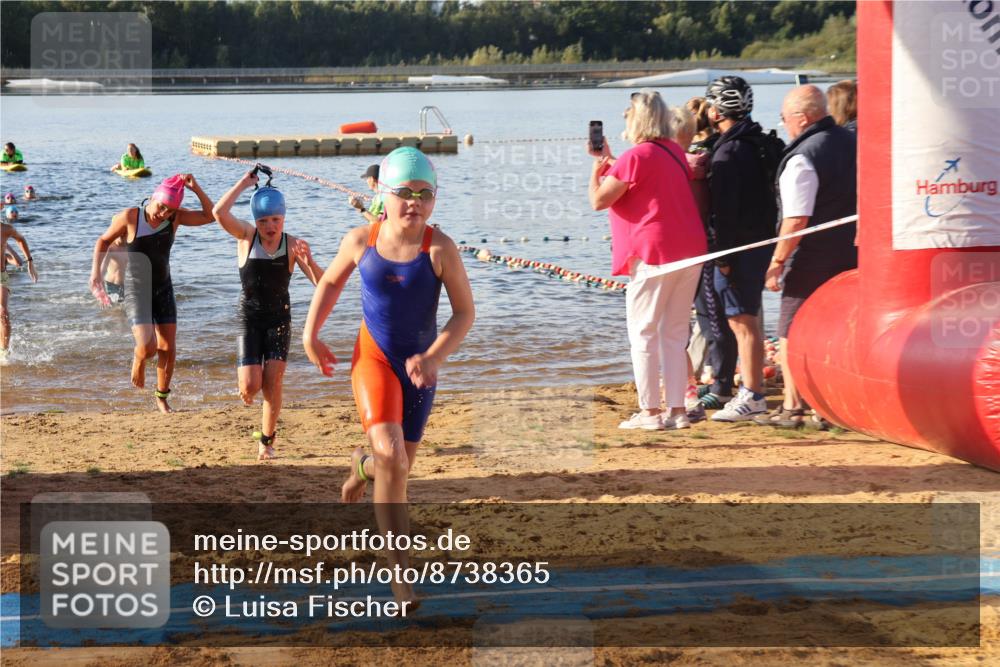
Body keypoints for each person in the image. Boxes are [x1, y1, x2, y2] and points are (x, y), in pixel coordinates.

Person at [304, 147, 474, 604]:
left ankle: (361, 466)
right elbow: (331, 283)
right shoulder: (361, 240)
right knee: (394, 458)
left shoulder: (440, 249)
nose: (414, 203)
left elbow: (464, 313)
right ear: (382, 192)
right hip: (373, 361)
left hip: (421, 371)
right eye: (404, 193)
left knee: (394, 470)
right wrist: (310, 335)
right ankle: (400, 574)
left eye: (425, 194)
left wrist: (435, 357)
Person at [588, 89, 707, 430]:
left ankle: (651, 412)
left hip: (653, 252)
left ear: (637, 119)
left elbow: (599, 200)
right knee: (673, 333)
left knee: (643, 333)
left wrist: (596, 169)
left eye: (628, 114)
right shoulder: (673, 151)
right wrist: (611, 164)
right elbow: (645, 184)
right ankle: (677, 410)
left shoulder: (635, 156)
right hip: (689, 249)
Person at [757, 85, 858, 428]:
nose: (784, 124)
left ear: (801, 118)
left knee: (790, 329)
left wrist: (777, 262)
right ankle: (829, 406)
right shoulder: (852, 141)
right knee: (838, 329)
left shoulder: (803, 156)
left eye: (784, 118)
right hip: (852, 252)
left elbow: (797, 218)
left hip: (813, 256)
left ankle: (792, 406)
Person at [213, 169, 323, 460]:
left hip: (279, 319)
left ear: (284, 218)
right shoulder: (246, 237)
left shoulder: (292, 244)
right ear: (256, 221)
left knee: (272, 382)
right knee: (251, 385)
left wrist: (309, 260)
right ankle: (246, 388)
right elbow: (218, 212)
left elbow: (322, 284)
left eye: (275, 220)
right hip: (249, 319)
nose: (270, 226)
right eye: (263, 221)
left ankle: (266, 441)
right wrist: (244, 183)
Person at [89, 174, 214, 413]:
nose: (163, 213)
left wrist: (196, 188)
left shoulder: (174, 218)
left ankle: (162, 397)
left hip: (163, 287)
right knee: (148, 347)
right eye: (161, 207)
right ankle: (138, 358)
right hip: (137, 288)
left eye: (169, 210)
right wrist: (95, 273)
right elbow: (103, 241)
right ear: (154, 197)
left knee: (167, 346)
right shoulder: (130, 217)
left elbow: (210, 216)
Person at [701, 75, 780, 422]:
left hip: (740, 249)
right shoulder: (756, 141)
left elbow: (725, 212)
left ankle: (751, 395)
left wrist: (724, 258)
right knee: (748, 320)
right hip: (761, 241)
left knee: (741, 322)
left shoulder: (730, 151)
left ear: (718, 110)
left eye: (711, 104)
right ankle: (751, 390)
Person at [1, 221, 38, 355]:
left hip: (1, 275)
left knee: (3, 313)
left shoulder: (6, 229)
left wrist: (30, 261)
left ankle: (4, 353)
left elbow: (21, 239)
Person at [100, 236, 127, 304]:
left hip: (124, 286)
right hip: (111, 286)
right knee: (112, 311)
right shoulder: (110, 249)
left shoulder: (129, 248)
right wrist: (103, 293)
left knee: (122, 312)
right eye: (119, 234)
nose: (122, 236)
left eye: (124, 234)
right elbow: (102, 271)